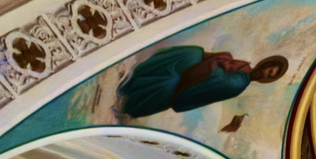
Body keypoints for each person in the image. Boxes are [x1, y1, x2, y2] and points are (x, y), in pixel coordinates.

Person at [118, 47, 288, 118]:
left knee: (170, 80)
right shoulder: (245, 66)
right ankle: (134, 72)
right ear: (266, 64)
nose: (266, 73)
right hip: (200, 71)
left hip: (191, 86)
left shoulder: (240, 84)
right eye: (269, 69)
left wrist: (213, 69)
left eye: (270, 75)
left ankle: (130, 91)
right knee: (192, 53)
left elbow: (223, 81)